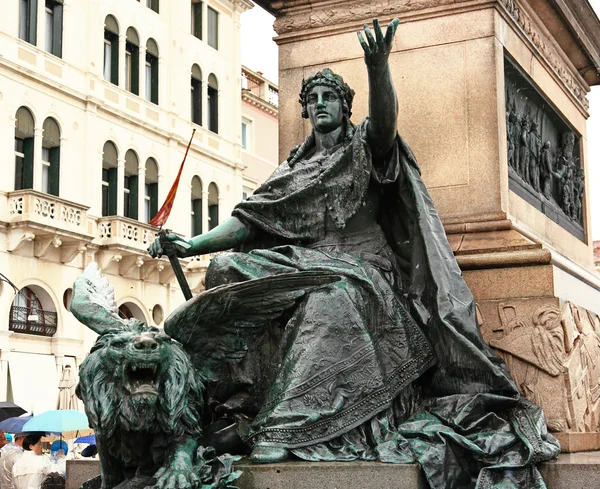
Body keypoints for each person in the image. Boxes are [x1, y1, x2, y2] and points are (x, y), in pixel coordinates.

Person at [149, 18, 559, 488]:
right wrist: (193, 244)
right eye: (313, 99)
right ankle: (232, 406)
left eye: (330, 98)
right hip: (306, 262)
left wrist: (378, 67)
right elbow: (250, 220)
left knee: (331, 299)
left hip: (363, 267)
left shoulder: (364, 147)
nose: (321, 104)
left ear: (346, 107)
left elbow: (386, 125)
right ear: (305, 110)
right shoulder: (294, 169)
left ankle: (292, 423)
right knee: (225, 269)